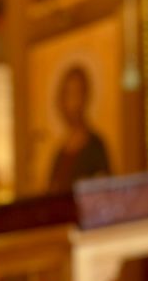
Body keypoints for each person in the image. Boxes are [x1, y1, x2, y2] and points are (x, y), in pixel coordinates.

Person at [46, 64, 112, 192]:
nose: (74, 103)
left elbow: (104, 189)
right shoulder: (59, 155)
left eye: (78, 94)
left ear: (86, 97)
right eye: (69, 95)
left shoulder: (96, 146)